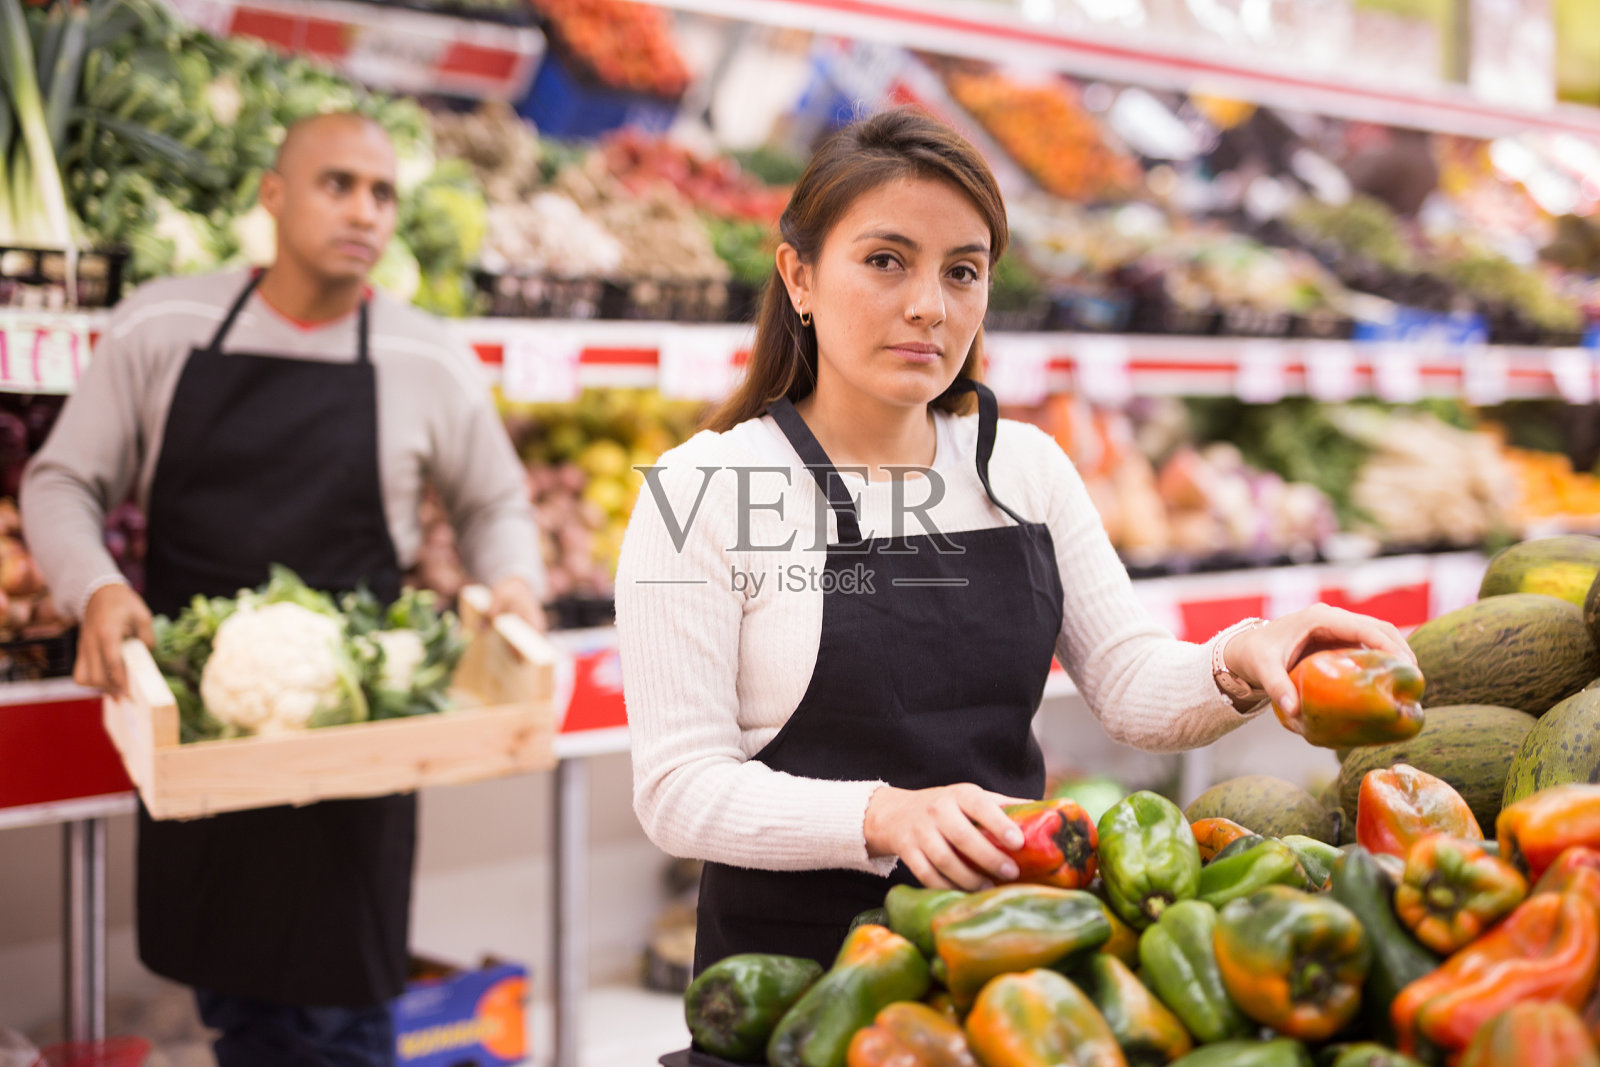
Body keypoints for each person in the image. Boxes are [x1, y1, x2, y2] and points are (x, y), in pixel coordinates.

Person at [616, 106, 1418, 974]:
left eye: (963, 271)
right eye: (886, 261)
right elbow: (678, 790)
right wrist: (882, 815)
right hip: (795, 991)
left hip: (1008, 967)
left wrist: (1241, 655)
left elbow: (1131, 685)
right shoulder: (703, 490)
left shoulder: (1023, 467)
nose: (929, 306)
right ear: (799, 277)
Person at [23, 112, 543, 1066]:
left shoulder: (427, 355)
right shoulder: (163, 323)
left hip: (361, 727)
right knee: (235, 1012)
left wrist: (511, 579)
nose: (365, 211)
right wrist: (93, 586)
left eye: (383, 193)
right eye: (336, 184)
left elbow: (496, 502)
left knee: (345, 1018)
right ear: (272, 195)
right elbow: (62, 481)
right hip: (203, 727)